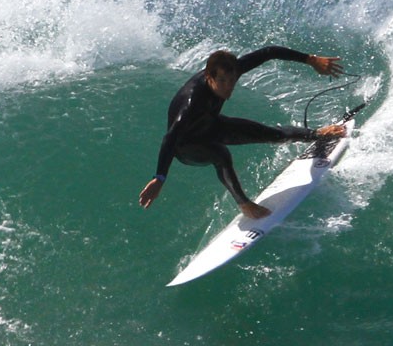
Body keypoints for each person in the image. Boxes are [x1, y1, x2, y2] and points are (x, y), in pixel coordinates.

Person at [138, 47, 346, 220]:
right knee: (221, 154)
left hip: (211, 126)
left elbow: (269, 52)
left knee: (273, 134)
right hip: (185, 146)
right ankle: (245, 204)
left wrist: (311, 60)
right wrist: (160, 178)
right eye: (223, 82)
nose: (229, 88)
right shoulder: (192, 102)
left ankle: (316, 134)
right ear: (209, 77)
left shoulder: (231, 71)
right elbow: (170, 138)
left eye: (232, 80)